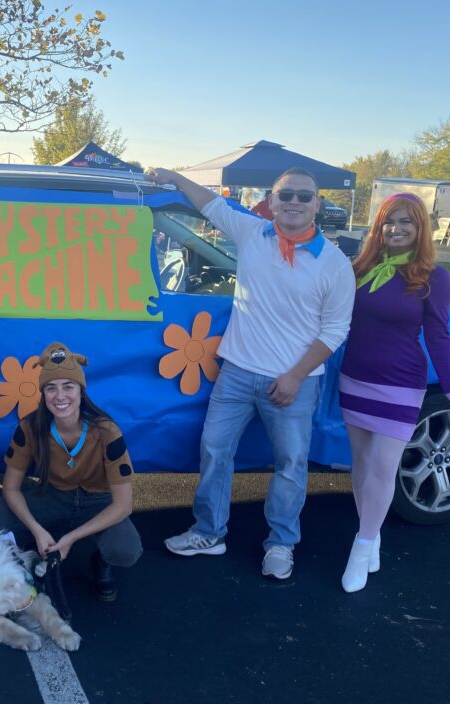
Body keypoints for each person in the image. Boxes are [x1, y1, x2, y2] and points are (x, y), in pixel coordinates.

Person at [150, 166, 355, 579]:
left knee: (291, 464)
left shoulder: (334, 264)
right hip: (237, 373)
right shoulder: (251, 233)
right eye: (286, 195)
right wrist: (173, 176)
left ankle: (281, 543)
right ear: (271, 201)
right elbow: (207, 203)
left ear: (318, 204)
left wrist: (295, 375)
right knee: (213, 450)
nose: (294, 202)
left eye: (304, 196)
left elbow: (336, 330)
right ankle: (209, 532)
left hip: (294, 384)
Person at [339, 193, 450, 593]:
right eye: (390, 221)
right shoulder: (362, 267)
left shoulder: (432, 277)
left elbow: (439, 335)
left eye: (406, 221)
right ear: (379, 225)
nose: (397, 228)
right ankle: (369, 533)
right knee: (359, 466)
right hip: (355, 378)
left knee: (382, 468)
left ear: (420, 227)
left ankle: (362, 545)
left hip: (401, 385)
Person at [0, 342, 141, 602]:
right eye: (51, 388)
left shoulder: (107, 431)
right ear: (43, 394)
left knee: (125, 549)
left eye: (68, 386)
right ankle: (35, 547)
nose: (60, 396)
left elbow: (123, 505)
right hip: (53, 496)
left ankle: (101, 562)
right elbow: (10, 487)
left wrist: (72, 539)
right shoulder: (30, 427)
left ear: (81, 390)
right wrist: (37, 530)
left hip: (98, 502)